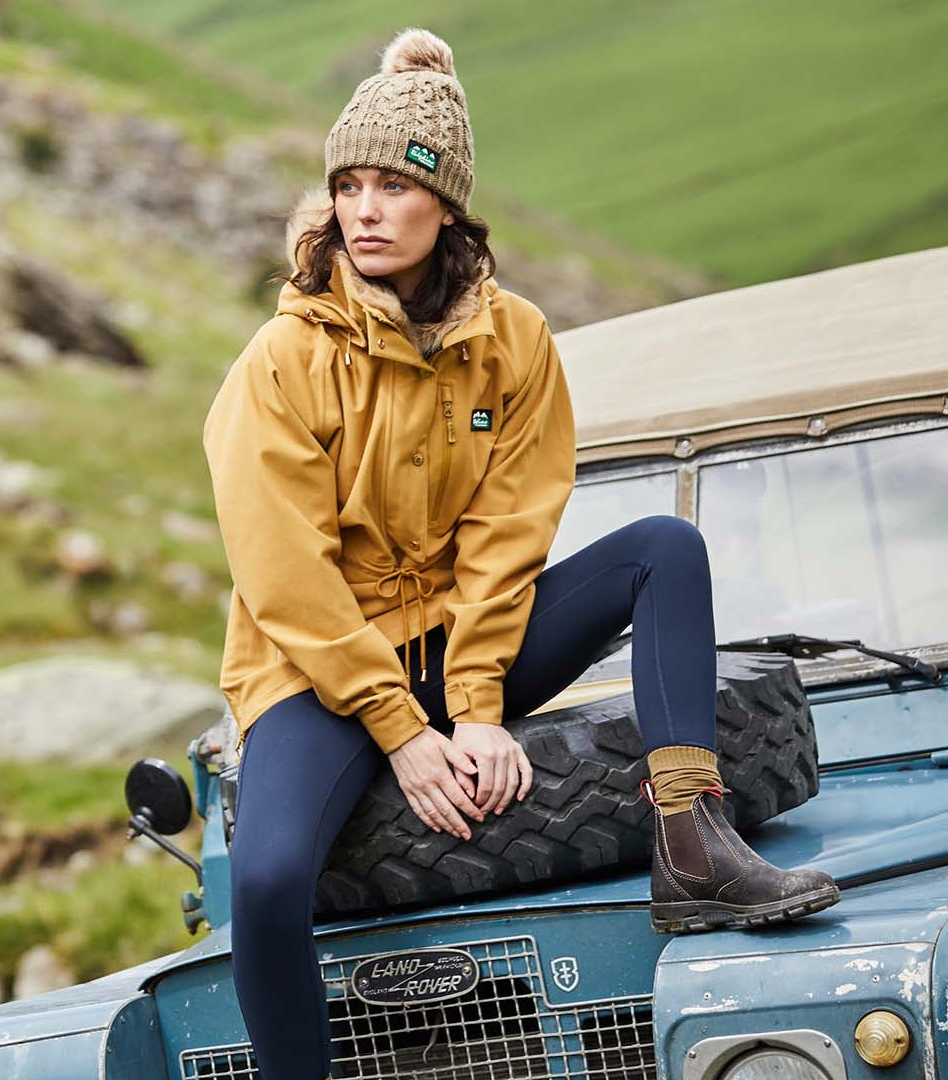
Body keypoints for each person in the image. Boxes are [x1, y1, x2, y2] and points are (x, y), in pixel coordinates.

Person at [202, 27, 839, 1080]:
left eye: (394, 186)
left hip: (463, 640)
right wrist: (407, 736)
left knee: (663, 549)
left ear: (446, 204)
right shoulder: (282, 358)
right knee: (267, 884)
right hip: (319, 673)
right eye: (348, 187)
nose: (365, 211)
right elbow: (285, 577)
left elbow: (508, 539)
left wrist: (480, 709)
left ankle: (694, 841)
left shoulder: (518, 340)